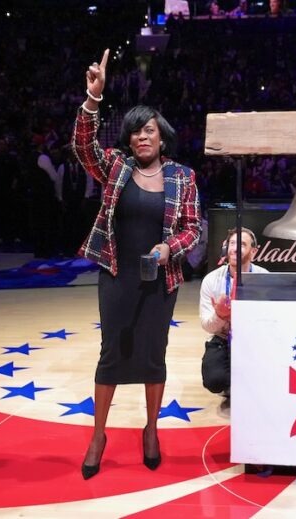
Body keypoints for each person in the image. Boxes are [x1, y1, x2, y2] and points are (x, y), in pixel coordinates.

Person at [73, 49, 202, 479]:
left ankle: (151, 430)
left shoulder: (183, 177)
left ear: (161, 137)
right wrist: (93, 99)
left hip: (160, 279)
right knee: (111, 354)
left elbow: (192, 229)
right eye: (134, 133)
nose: (140, 138)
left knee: (152, 354)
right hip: (116, 273)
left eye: (147, 131)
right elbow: (82, 146)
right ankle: (98, 434)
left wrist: (170, 249)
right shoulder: (115, 167)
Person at [199, 227, 269, 397]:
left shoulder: (265, 278)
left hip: (255, 340)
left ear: (253, 252)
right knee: (214, 380)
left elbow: (271, 321)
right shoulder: (211, 280)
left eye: (242, 244)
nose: (235, 248)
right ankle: (232, 384)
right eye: (232, 243)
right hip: (222, 338)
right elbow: (207, 325)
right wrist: (221, 316)